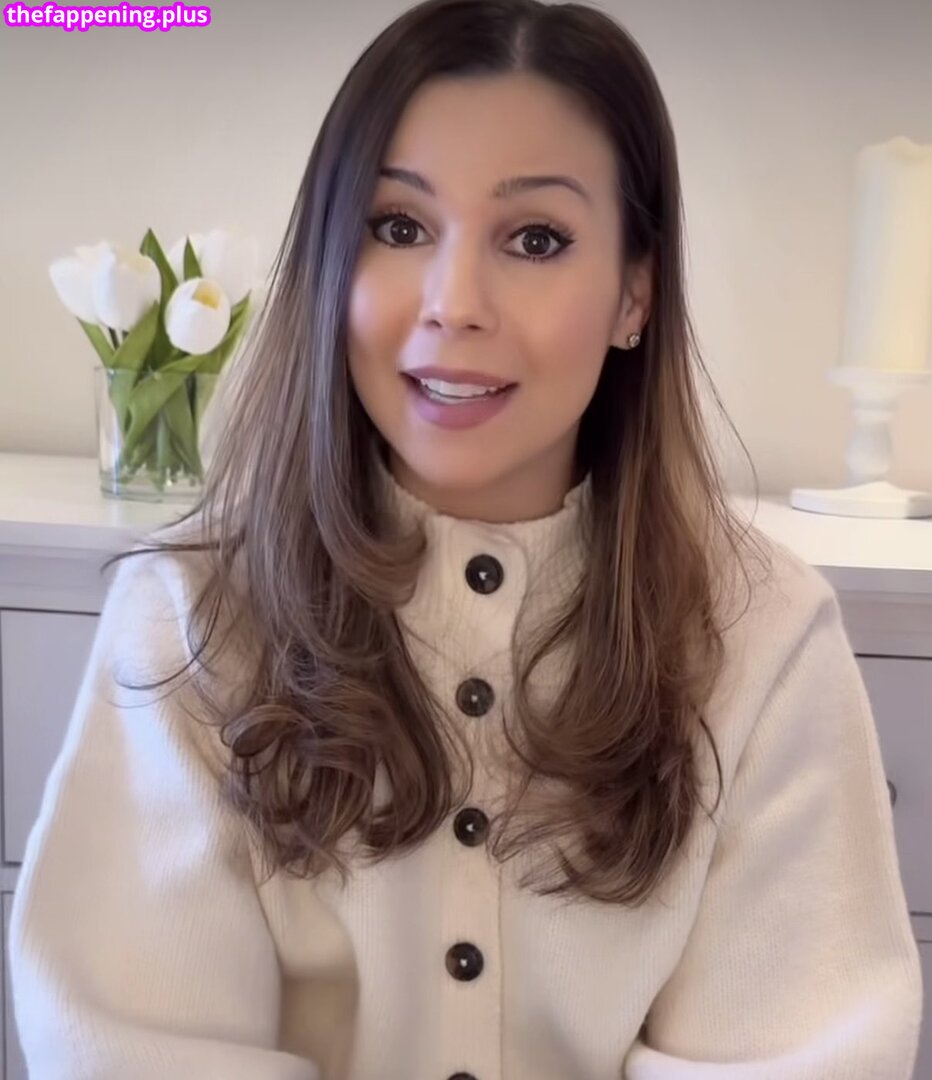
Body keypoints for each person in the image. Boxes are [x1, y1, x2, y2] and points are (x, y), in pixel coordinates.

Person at [9, 0, 922, 1076]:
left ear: (633, 291)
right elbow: (131, 1044)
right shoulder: (189, 617)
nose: (454, 304)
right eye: (398, 228)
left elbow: (801, 1047)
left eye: (535, 239)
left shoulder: (762, 633)